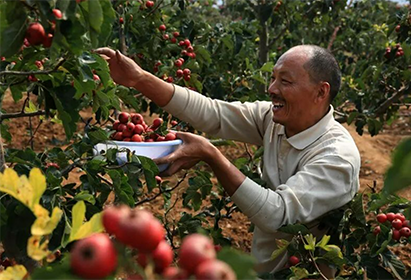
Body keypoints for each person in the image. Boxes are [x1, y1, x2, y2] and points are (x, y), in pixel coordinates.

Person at [96, 45, 361, 276]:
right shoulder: (276, 120)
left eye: (285, 81)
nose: (272, 89)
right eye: (273, 79)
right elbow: (214, 114)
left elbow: (277, 214)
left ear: (320, 92)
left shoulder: (336, 157)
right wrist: (139, 79)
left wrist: (212, 155)